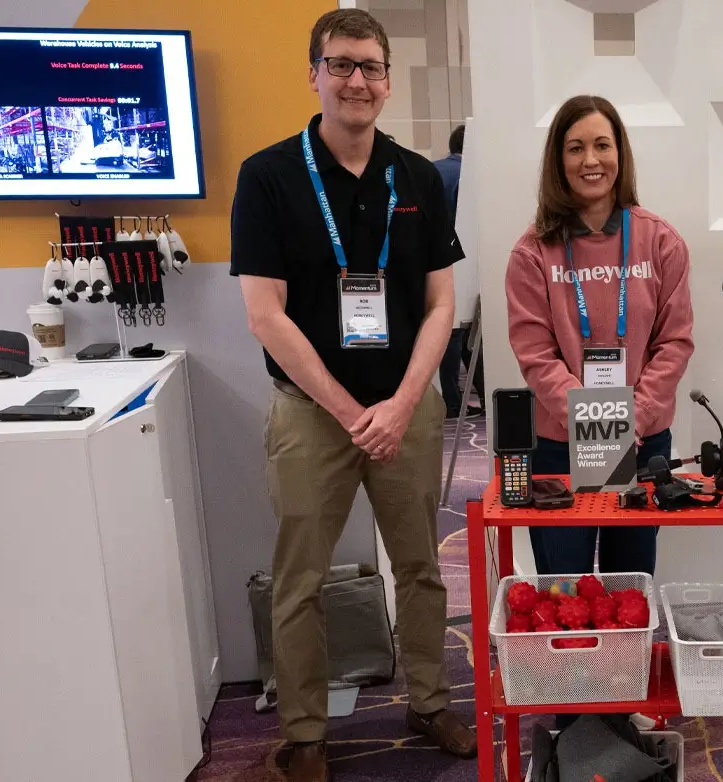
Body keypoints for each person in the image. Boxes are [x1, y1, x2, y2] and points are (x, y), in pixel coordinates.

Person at [230, 10, 477, 780]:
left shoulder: (418, 177)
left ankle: (430, 701)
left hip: (407, 407)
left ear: (388, 79)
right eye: (340, 65)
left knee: (421, 568)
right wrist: (349, 412)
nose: (357, 81)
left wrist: (402, 405)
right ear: (314, 75)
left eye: (370, 67)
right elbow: (264, 314)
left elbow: (441, 304)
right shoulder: (268, 176)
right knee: (300, 579)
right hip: (312, 414)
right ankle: (304, 733)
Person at [505, 94, 694, 579]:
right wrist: (594, 418)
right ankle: (566, 662)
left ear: (620, 154)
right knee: (562, 585)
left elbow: (674, 342)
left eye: (602, 145)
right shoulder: (533, 252)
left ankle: (624, 662)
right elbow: (534, 351)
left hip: (642, 438)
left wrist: (632, 416)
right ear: (558, 160)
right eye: (575, 148)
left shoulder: (660, 240)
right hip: (559, 443)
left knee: (629, 585)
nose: (591, 160)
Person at [433, 124, 483, 419]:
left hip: (433, 260)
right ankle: (455, 402)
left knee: (449, 329)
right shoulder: (472, 176)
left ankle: (450, 398)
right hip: (464, 258)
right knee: (460, 332)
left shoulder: (430, 170)